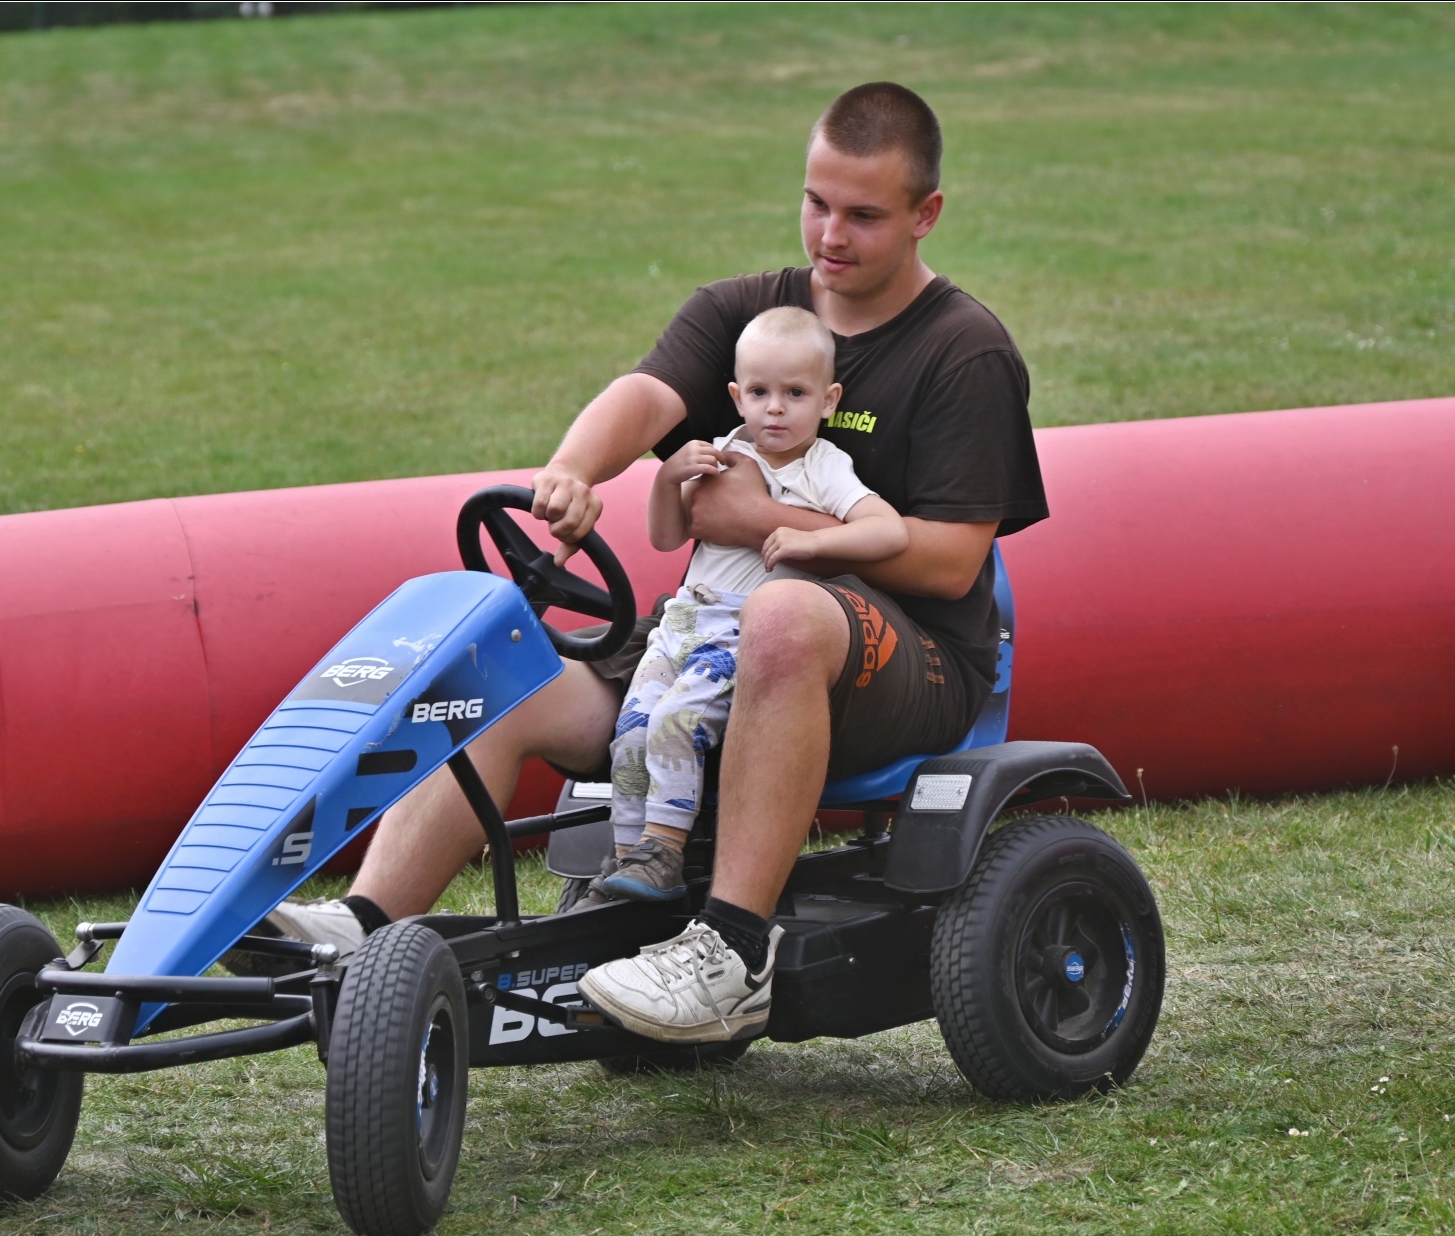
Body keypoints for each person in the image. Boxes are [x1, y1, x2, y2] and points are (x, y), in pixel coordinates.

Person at [263, 81, 1049, 1045]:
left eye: (864, 216)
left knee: (782, 613)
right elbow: (644, 396)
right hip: (710, 638)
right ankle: (367, 921)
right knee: (497, 662)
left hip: (912, 662)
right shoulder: (748, 315)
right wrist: (571, 469)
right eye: (815, 203)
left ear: (926, 214)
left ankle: (731, 954)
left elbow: (954, 565)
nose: (830, 235)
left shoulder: (963, 351)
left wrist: (761, 519)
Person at [594, 304, 908, 905]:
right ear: (737, 397)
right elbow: (667, 537)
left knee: (676, 722)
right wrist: (666, 480)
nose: (776, 408)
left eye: (796, 393)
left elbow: (888, 532)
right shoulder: (722, 452)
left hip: (740, 630)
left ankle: (664, 850)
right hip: (680, 623)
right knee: (631, 729)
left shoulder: (823, 467)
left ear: (829, 400)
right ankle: (629, 861)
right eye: (760, 392)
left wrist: (812, 541)